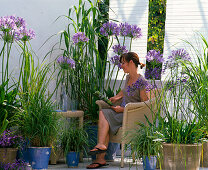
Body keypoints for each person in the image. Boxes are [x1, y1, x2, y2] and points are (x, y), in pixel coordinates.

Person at [86, 52, 149, 169]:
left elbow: (144, 104)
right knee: (103, 114)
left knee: (105, 115)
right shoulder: (128, 77)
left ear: (131, 62)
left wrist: (124, 109)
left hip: (131, 116)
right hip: (122, 113)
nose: (121, 66)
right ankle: (101, 154)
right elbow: (124, 90)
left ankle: (100, 156)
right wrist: (117, 97)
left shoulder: (142, 82)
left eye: (123, 63)